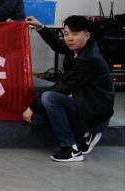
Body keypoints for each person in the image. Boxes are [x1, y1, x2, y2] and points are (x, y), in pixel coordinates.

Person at [24, 15, 115, 162]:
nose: (69, 38)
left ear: (87, 35)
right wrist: (40, 26)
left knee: (48, 98)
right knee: (38, 119)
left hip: (95, 110)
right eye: (66, 34)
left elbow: (64, 86)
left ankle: (71, 149)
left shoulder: (89, 58)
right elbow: (57, 45)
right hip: (83, 101)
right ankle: (87, 133)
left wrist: (32, 106)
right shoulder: (79, 48)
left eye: (75, 34)